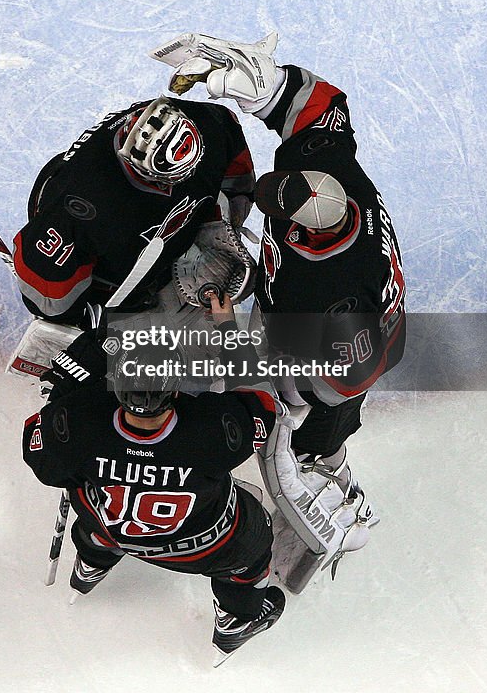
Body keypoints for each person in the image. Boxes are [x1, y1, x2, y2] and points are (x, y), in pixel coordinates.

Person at [150, 32, 406, 587]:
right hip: (298, 331)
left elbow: (339, 380)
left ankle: (324, 474)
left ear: (306, 236)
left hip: (337, 363)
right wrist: (268, 89)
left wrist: (262, 376)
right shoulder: (330, 174)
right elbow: (322, 107)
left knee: (305, 430)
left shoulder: (335, 303)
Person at [22, 301, 285, 666]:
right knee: (252, 548)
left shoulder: (77, 418)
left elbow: (44, 463)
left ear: (116, 386)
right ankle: (237, 620)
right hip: (200, 548)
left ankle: (93, 560)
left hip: (110, 527)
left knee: (92, 509)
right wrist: (227, 329)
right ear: (175, 390)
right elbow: (261, 401)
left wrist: (82, 366)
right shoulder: (212, 428)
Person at [13, 95, 255, 327]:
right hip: (102, 269)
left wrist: (224, 218)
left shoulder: (207, 123)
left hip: (149, 240)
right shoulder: (81, 207)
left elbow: (236, 171)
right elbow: (48, 296)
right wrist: (87, 320)